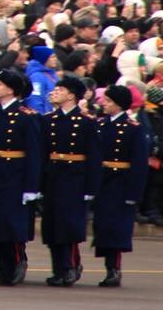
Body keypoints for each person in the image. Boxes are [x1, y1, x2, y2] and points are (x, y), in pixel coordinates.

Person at [0, 69, 42, 286]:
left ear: (11, 89)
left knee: (12, 224)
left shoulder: (26, 117)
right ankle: (1, 267)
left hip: (15, 174)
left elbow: (34, 154)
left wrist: (31, 186)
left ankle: (16, 263)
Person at [41, 74, 96, 285]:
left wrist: (90, 186)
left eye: (61, 90)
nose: (56, 92)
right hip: (54, 174)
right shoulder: (49, 120)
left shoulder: (85, 122)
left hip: (75, 177)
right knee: (52, 226)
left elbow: (93, 156)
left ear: (71, 95)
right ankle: (58, 269)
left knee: (69, 226)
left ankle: (71, 265)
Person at [92, 84, 148, 287]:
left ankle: (114, 269)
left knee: (116, 228)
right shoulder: (100, 124)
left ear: (118, 104)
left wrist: (134, 192)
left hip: (121, 182)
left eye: (108, 101)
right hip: (103, 181)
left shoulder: (133, 129)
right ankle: (109, 267)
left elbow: (139, 164)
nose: (103, 104)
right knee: (103, 226)